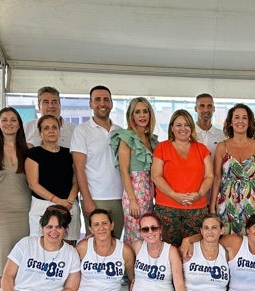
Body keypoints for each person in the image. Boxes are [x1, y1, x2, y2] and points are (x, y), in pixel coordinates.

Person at [0, 107, 32, 291]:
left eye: (13, 120)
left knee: (23, 255)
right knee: (1, 253)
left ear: (19, 124)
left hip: (25, 210)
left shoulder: (28, 148)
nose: (9, 123)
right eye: (4, 120)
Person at [151, 109, 214, 246]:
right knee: (168, 249)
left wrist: (199, 194)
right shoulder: (162, 147)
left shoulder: (201, 149)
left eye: (186, 125)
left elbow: (209, 176)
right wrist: (174, 195)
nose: (183, 128)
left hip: (196, 208)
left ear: (191, 127)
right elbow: (156, 176)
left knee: (193, 249)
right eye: (178, 125)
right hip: (167, 208)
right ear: (172, 127)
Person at [71, 85, 124, 239]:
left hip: (120, 198)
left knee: (116, 243)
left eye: (106, 99)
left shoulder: (120, 131)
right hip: (95, 198)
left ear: (111, 103)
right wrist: (87, 199)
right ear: (90, 104)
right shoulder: (82, 131)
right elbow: (79, 168)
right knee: (95, 244)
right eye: (97, 100)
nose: (102, 103)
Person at [210, 103, 255, 235]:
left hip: (252, 199)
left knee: (253, 238)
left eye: (244, 118)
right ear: (230, 122)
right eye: (236, 117)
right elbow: (217, 177)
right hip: (227, 200)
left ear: (249, 122)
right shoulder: (222, 146)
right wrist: (212, 206)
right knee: (226, 238)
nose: (240, 121)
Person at [25, 114, 81, 243]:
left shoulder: (69, 153)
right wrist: (57, 201)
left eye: (54, 127)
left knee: (68, 247)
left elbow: (77, 180)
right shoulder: (34, 154)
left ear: (59, 130)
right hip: (42, 206)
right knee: (41, 247)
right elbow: (33, 184)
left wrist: (70, 201)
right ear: (40, 132)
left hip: (69, 205)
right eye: (46, 128)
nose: (51, 131)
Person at [110, 97, 158, 243]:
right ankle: (131, 265)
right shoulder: (126, 138)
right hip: (135, 194)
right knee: (135, 235)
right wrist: (132, 200)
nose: (142, 115)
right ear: (131, 116)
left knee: (149, 234)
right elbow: (124, 171)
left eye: (145, 111)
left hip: (149, 193)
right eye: (137, 112)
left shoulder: (152, 140)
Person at [194, 93, 226, 158]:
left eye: (209, 106)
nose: (206, 110)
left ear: (214, 109)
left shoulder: (222, 136)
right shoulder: (188, 135)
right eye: (202, 106)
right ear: (195, 108)